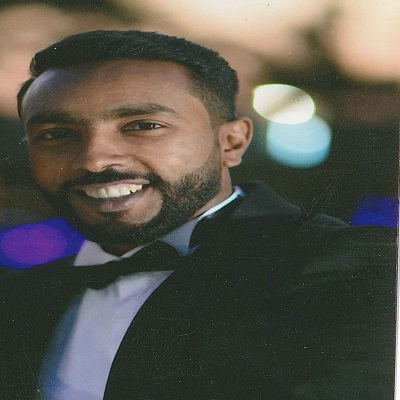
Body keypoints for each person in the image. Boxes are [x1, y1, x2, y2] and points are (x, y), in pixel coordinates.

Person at [0, 30, 396, 400]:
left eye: (143, 125)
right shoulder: (17, 300)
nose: (94, 159)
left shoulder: (359, 270)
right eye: (55, 134)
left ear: (232, 142)